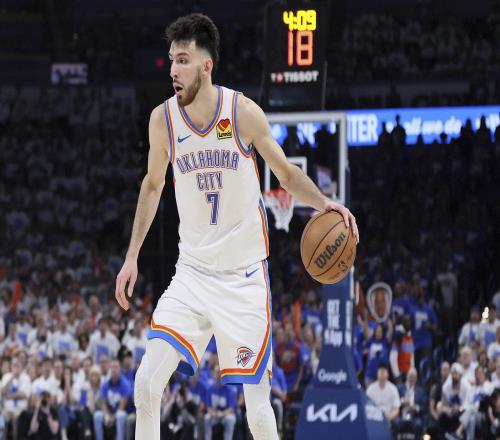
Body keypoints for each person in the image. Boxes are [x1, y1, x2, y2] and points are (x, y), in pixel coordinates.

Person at [113, 13, 359, 440]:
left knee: (258, 410)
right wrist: (132, 254)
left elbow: (285, 174)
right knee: (146, 384)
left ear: (206, 66)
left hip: (243, 279)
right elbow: (152, 186)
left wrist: (324, 203)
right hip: (192, 274)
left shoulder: (242, 112)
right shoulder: (162, 120)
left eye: (183, 60)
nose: (173, 70)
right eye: (171, 59)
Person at [366, 364, 400, 430]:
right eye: (380, 371)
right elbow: (366, 406)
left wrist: (389, 417)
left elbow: (396, 409)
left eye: (384, 371)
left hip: (388, 415)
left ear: (387, 374)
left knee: (396, 422)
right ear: (377, 373)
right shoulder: (370, 389)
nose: (382, 374)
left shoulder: (393, 388)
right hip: (374, 416)